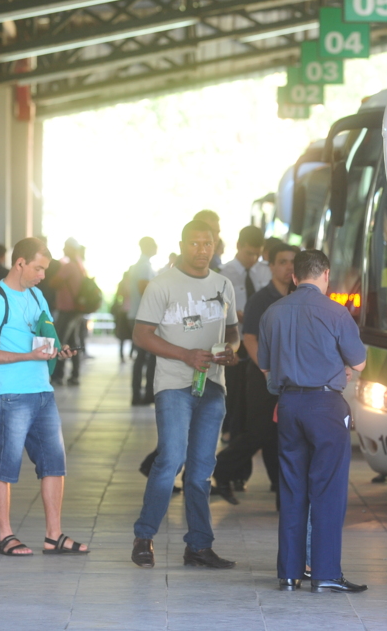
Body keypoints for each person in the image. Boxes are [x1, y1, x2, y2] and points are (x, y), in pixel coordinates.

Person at [130, 219, 240, 570]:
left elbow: (234, 332)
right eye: (194, 243)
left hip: (212, 387)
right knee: (170, 460)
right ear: (181, 244)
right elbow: (142, 335)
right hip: (174, 384)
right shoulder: (162, 285)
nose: (202, 250)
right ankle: (144, 537)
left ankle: (198, 547)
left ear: (215, 245)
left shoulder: (224, 284)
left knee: (200, 471)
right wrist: (185, 355)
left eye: (207, 243)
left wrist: (231, 352)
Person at [259, 249, 367, 593]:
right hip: (325, 405)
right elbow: (360, 363)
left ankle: (289, 574)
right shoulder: (336, 312)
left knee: (292, 489)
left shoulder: (272, 312)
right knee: (328, 490)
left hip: (288, 404)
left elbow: (265, 367)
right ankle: (324, 573)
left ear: (294, 277)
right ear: (326, 276)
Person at [0, 237, 87, 557]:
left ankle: (54, 536)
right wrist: (28, 355)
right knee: (6, 467)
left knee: (54, 465)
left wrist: (56, 352)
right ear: (19, 263)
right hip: (10, 394)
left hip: (42, 392)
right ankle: (5, 536)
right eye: (38, 268)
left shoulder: (38, 296)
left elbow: (41, 341)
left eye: (45, 269)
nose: (42, 275)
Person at [212, 243, 298, 504]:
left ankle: (281, 489)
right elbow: (250, 339)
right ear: (270, 266)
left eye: (293, 262)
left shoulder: (299, 297)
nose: (288, 268)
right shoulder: (261, 300)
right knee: (259, 432)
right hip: (263, 377)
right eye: (282, 262)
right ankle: (222, 468)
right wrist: (268, 373)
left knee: (277, 434)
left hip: (292, 378)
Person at [216, 225, 271, 496]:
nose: (253, 259)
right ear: (239, 246)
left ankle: (240, 474)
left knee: (253, 416)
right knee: (236, 412)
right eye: (249, 253)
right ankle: (230, 470)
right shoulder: (224, 274)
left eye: (257, 254)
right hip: (236, 349)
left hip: (262, 346)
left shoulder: (265, 272)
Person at [51, 238, 86, 385]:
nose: (63, 249)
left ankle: (58, 375)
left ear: (71, 249)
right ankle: (75, 375)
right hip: (76, 310)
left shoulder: (69, 266)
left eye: (66, 247)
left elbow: (53, 282)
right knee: (73, 342)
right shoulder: (79, 265)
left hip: (67, 309)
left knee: (60, 341)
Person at [128, 237, 158, 405]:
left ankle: (142, 393)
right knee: (145, 357)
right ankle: (143, 393)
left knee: (142, 357)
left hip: (138, 314)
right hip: (143, 316)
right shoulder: (144, 266)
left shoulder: (140, 265)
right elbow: (144, 289)